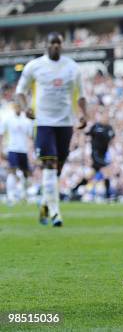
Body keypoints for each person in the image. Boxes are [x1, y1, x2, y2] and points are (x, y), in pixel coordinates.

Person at [16, 32, 88, 226]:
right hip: (43, 123)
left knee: (57, 168)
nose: (55, 46)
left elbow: (81, 95)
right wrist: (25, 108)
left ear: (62, 45)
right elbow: (20, 92)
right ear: (45, 45)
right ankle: (56, 213)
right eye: (52, 43)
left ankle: (46, 202)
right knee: (50, 163)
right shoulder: (34, 67)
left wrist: (83, 114)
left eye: (58, 43)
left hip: (65, 123)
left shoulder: (72, 68)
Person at [70, 110, 115, 201]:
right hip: (96, 154)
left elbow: (112, 140)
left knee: (90, 176)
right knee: (106, 172)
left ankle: (74, 189)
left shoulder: (109, 128)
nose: (106, 118)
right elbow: (85, 134)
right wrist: (82, 145)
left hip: (103, 154)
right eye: (105, 116)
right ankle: (108, 195)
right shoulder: (96, 126)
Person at [0, 102, 33, 205]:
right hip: (12, 148)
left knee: (26, 173)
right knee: (12, 171)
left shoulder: (26, 120)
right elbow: (1, 134)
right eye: (16, 106)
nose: (18, 108)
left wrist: (31, 151)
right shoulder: (8, 119)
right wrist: (1, 149)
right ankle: (11, 195)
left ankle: (25, 194)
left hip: (24, 149)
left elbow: (30, 136)